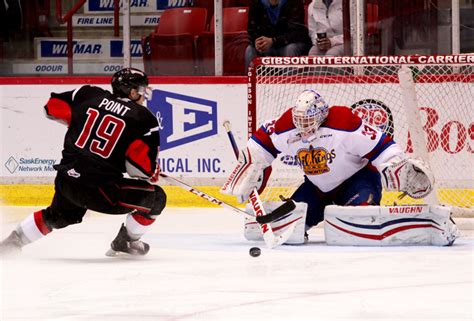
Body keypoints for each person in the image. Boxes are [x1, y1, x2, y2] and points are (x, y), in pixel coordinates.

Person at [0, 68, 166, 257]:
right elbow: (142, 170)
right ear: (133, 92)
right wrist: (153, 171)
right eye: (142, 91)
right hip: (100, 191)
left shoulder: (87, 93)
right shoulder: (144, 118)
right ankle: (126, 241)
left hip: (67, 180)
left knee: (58, 216)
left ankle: (11, 244)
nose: (144, 96)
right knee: (157, 198)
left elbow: (51, 107)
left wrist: (80, 121)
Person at [221, 89, 434, 233]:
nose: (303, 127)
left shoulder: (344, 123)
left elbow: (382, 146)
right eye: (300, 121)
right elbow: (263, 142)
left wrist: (393, 165)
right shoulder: (287, 126)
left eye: (309, 120)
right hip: (316, 188)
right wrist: (252, 167)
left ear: (322, 115)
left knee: (359, 223)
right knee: (287, 227)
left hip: (357, 180)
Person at [245, 0, 311, 71]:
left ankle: (290, 81)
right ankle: (249, 81)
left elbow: (296, 33)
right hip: (267, 47)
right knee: (250, 50)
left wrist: (273, 41)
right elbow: (252, 30)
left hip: (289, 43)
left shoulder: (294, 2)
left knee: (290, 49)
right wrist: (258, 41)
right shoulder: (256, 3)